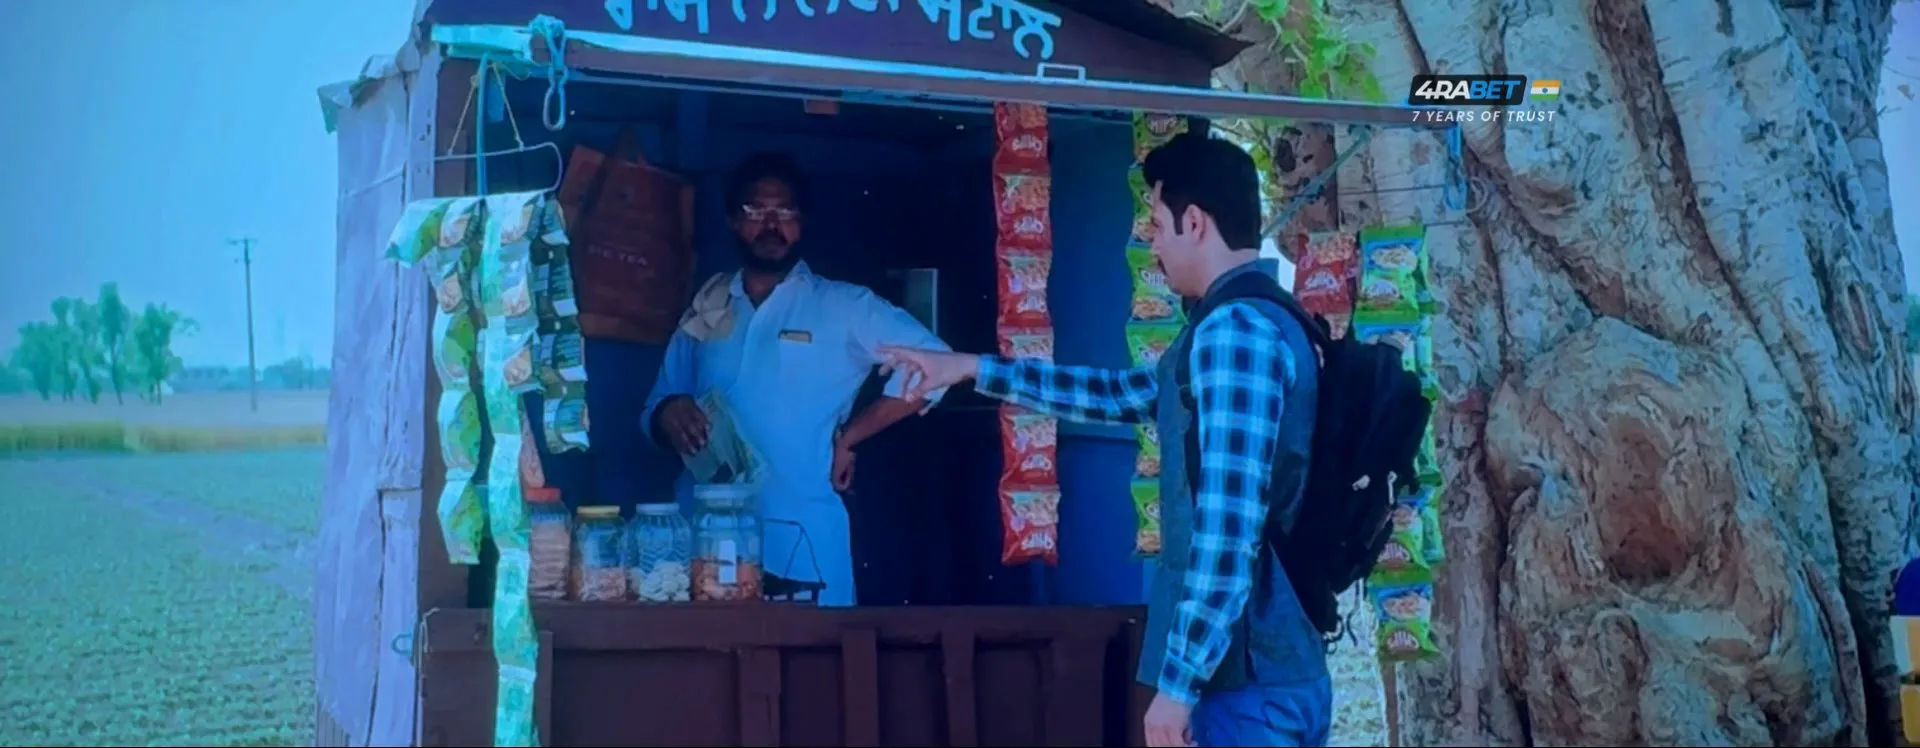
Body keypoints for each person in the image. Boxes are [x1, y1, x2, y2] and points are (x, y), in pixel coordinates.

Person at [880, 133, 1330, 747]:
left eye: (1158, 225)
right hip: (1271, 675)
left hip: (1246, 685)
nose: (1153, 243)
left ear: (1195, 223)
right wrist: (970, 369)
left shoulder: (1235, 333)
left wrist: (1178, 687)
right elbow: (1125, 395)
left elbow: (1227, 531)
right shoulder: (1255, 319)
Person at [641, 151, 953, 608]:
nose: (772, 225)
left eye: (785, 211)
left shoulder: (843, 305)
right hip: (705, 537)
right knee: (708, 650)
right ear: (732, 221)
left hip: (803, 536)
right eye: (756, 210)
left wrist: (852, 437)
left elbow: (937, 365)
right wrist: (668, 414)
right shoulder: (708, 306)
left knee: (811, 653)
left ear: (801, 223)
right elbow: (654, 407)